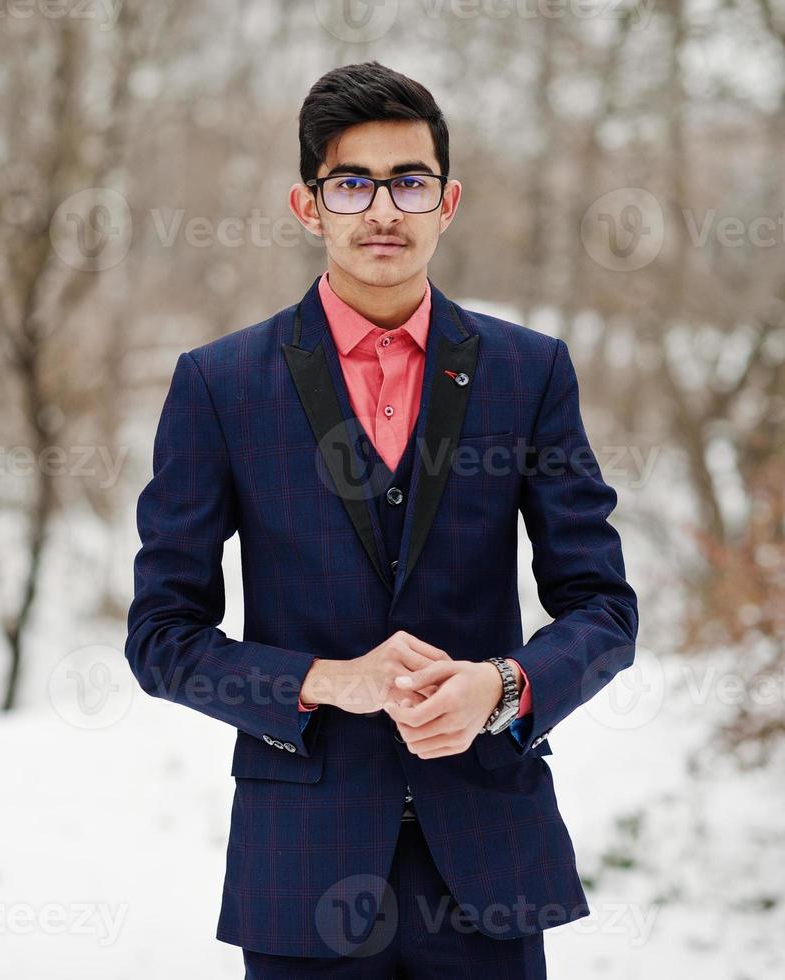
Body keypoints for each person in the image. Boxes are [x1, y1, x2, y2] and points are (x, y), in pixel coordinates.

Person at [124, 61, 639, 978]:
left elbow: (603, 612)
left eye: (409, 181)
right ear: (306, 206)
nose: (382, 210)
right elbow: (162, 637)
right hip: (301, 865)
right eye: (350, 184)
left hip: (488, 860)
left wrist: (503, 688)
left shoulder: (529, 373)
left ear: (447, 202)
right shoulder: (221, 385)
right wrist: (323, 680)